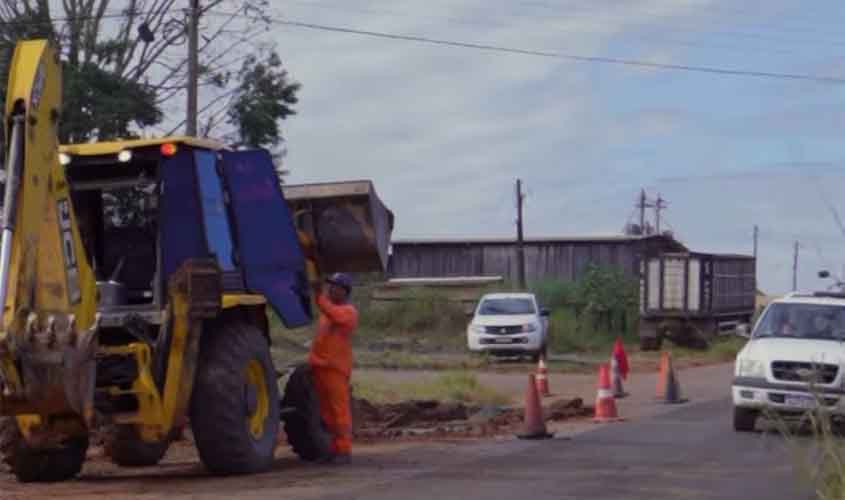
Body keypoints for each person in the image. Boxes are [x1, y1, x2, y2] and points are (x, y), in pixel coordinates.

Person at [308, 273, 358, 465]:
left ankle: (344, 450)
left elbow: (331, 312)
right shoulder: (327, 314)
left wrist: (318, 295)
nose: (331, 289)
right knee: (326, 413)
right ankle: (333, 449)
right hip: (321, 368)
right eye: (330, 286)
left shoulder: (348, 312)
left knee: (339, 412)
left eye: (334, 286)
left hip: (335, 370)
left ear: (344, 291)